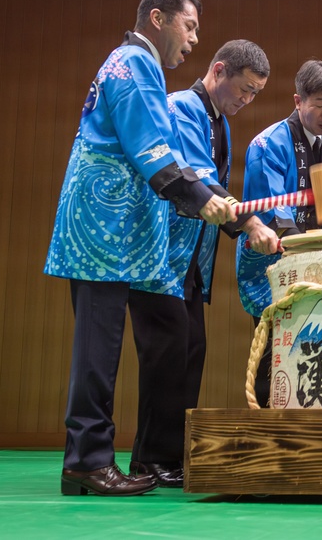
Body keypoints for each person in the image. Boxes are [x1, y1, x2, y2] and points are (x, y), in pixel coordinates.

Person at [45, 0, 234, 496]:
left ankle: (93, 457)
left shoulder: (137, 65)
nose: (194, 40)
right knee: (96, 351)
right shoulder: (133, 65)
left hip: (113, 231)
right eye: (190, 26)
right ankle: (86, 460)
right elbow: (150, 147)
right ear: (159, 19)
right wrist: (200, 198)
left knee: (102, 350)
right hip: (100, 232)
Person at [125, 40, 280, 487]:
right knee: (167, 355)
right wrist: (251, 224)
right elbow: (201, 182)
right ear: (218, 71)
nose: (246, 101)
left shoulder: (218, 120)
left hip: (192, 261)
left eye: (254, 95)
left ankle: (169, 457)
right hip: (163, 258)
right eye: (244, 90)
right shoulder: (183, 108)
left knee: (190, 351)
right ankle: (151, 458)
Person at [235, 59, 322, 407]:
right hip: (271, 260)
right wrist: (304, 249)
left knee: (316, 347)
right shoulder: (267, 144)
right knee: (274, 347)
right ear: (298, 101)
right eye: (319, 104)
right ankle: (266, 429)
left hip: (316, 260)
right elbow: (270, 212)